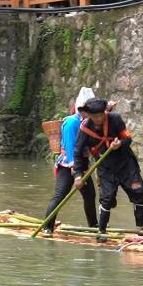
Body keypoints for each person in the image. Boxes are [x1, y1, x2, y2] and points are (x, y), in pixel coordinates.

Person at [72, 97, 143, 242]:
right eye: (95, 116)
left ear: (105, 112)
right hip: (105, 167)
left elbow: (128, 138)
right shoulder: (85, 128)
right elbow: (77, 152)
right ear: (89, 115)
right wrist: (77, 175)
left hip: (126, 164)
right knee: (106, 200)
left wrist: (120, 144)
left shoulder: (115, 119)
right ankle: (102, 232)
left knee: (139, 193)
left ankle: (140, 229)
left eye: (101, 115)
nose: (99, 118)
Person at [40, 88, 99, 236]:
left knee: (90, 195)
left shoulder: (89, 122)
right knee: (60, 195)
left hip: (83, 163)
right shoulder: (71, 123)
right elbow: (70, 145)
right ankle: (48, 226)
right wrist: (75, 169)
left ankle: (93, 225)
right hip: (68, 165)